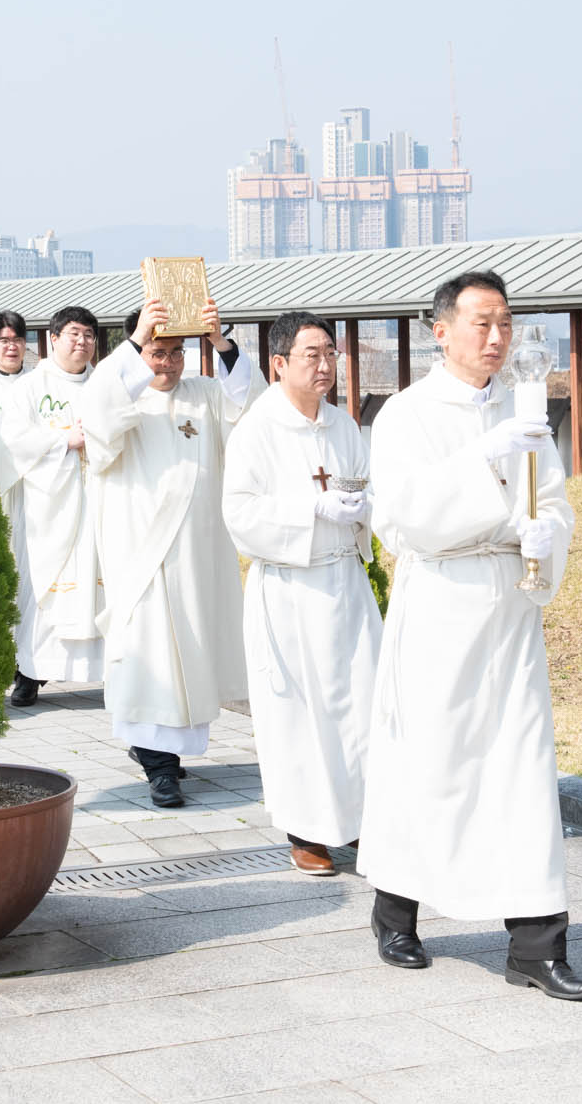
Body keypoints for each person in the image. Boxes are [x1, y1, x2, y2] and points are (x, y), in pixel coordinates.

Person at [359, 270, 582, 1000]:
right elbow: (401, 518)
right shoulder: (406, 412)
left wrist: (547, 527)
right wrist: (483, 457)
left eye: (505, 325)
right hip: (441, 600)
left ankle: (537, 941)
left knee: (523, 770)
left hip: (508, 607)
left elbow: (551, 497)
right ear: (441, 329)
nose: (496, 338)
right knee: (431, 762)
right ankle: (397, 909)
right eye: (481, 323)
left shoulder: (523, 407)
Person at [222, 312, 381, 874]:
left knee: (362, 703)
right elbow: (239, 514)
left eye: (331, 354)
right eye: (312, 355)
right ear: (279, 363)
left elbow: (368, 487)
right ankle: (308, 831)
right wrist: (310, 507)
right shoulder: (256, 431)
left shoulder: (343, 425)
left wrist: (365, 510)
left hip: (345, 582)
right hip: (290, 586)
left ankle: (362, 820)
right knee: (300, 714)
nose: (324, 366)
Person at [80, 293, 253, 808]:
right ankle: (159, 767)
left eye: (177, 352)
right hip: (142, 554)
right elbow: (99, 412)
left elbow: (250, 407)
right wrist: (135, 342)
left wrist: (221, 343)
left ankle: (163, 754)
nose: (168, 362)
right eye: (157, 353)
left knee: (191, 657)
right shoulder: (121, 395)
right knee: (147, 655)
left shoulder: (204, 393)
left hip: (198, 555)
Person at [0, 306, 106, 707]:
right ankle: (30, 672)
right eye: (74, 334)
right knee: (40, 588)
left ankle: (108, 674)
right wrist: (64, 441)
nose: (82, 342)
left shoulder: (105, 385)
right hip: (47, 508)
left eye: (89, 335)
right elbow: (11, 443)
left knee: (101, 585)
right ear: (53, 338)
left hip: (97, 504)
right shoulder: (27, 387)